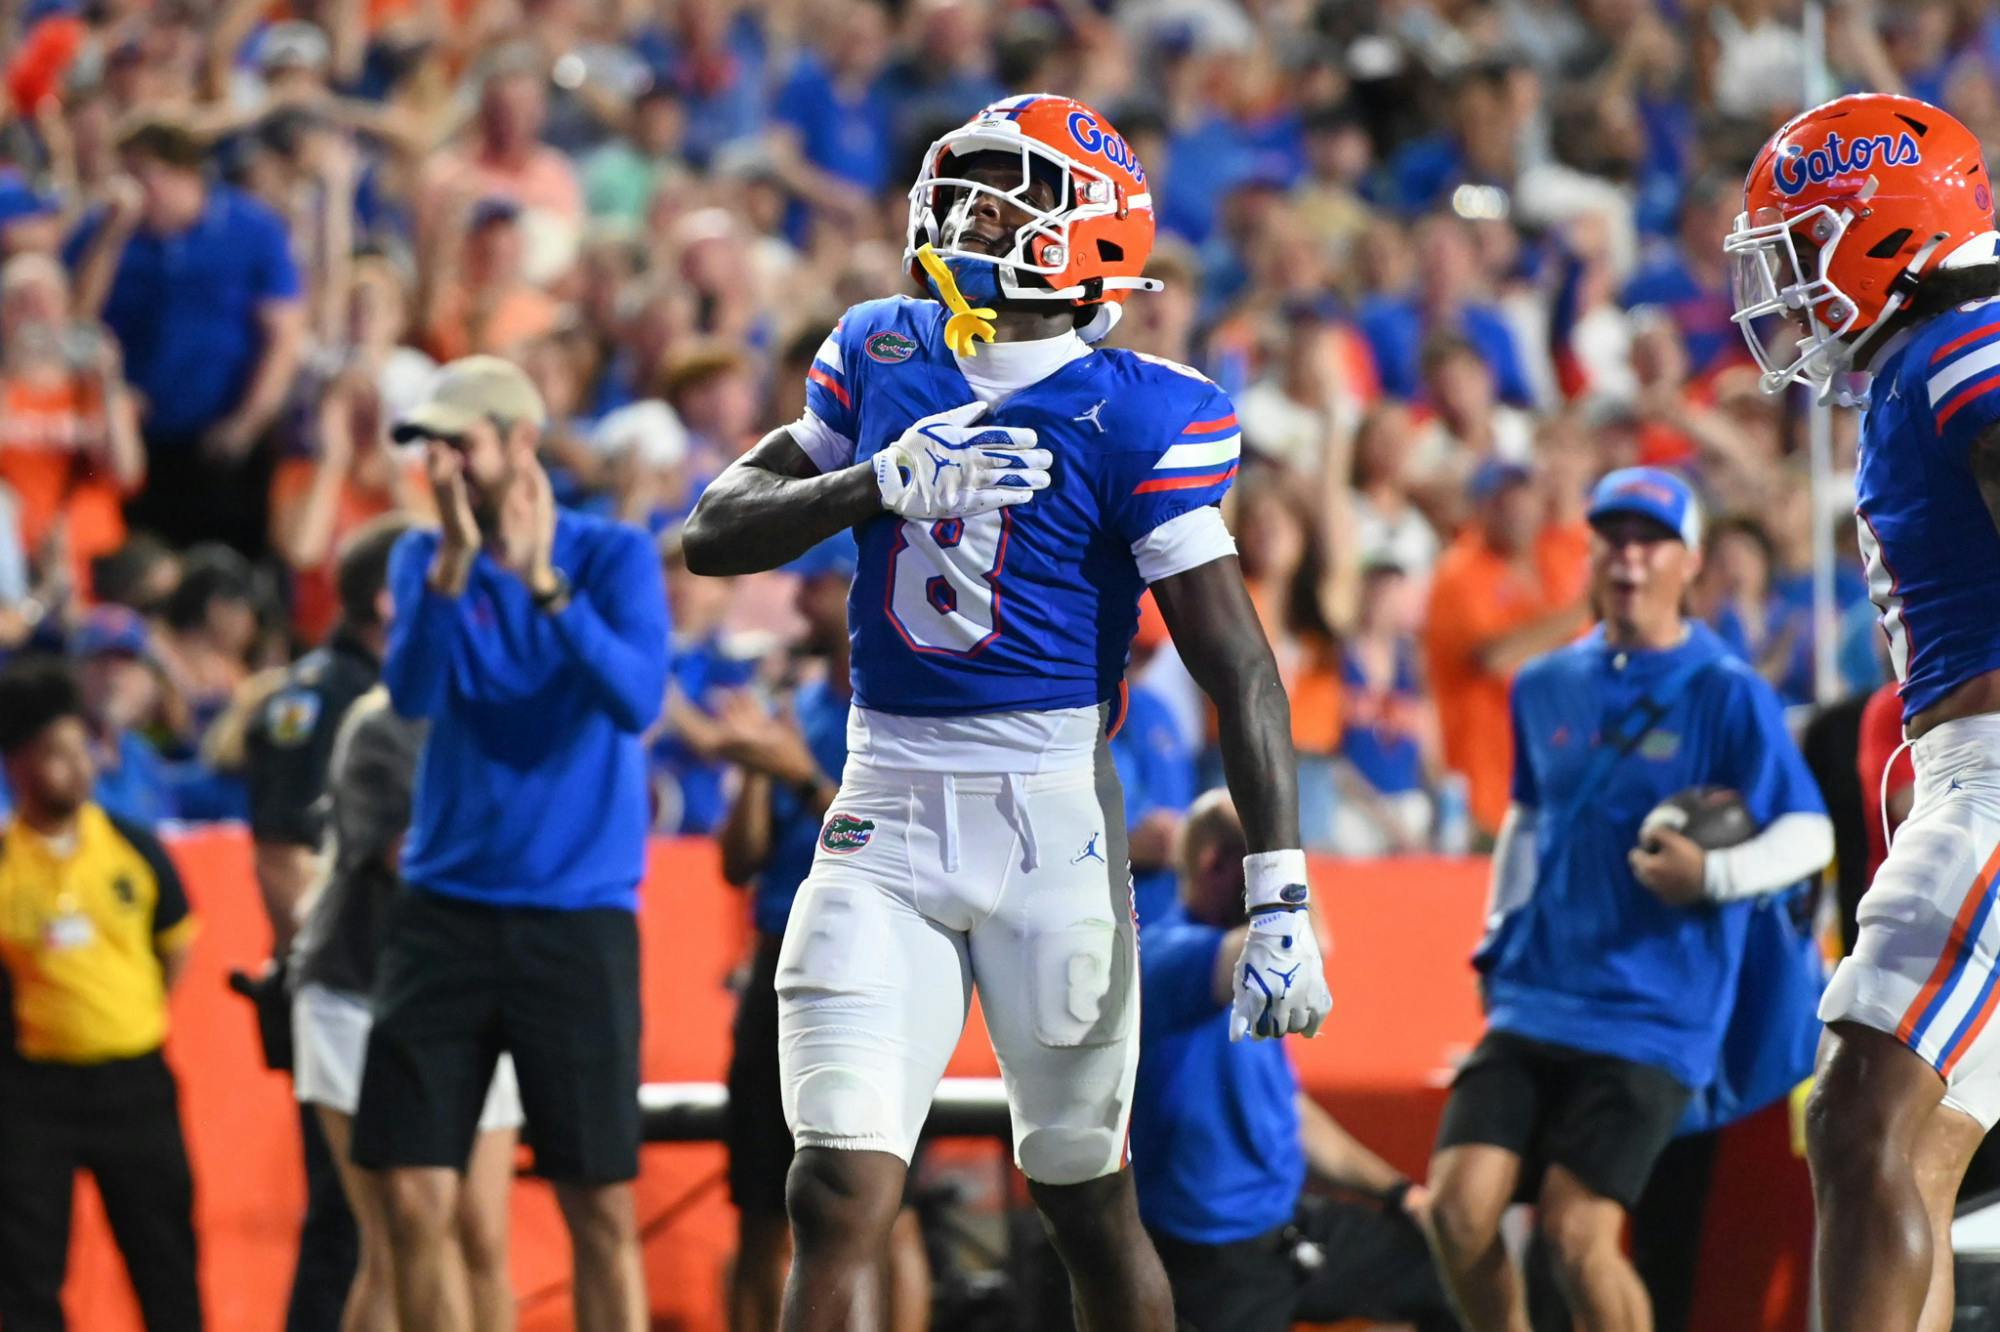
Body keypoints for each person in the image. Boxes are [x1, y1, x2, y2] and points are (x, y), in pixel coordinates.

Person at [682, 94, 1331, 1332]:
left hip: (1049, 822)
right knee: (829, 1184)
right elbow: (711, 532)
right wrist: (869, 481)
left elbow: (1236, 663)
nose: (964, 214)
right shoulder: (879, 346)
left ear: (1083, 237)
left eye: (1004, 195)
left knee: (1081, 1193)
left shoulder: (1144, 407)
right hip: (880, 798)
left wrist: (1280, 889)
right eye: (966, 187)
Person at [1423, 467, 1832, 1332]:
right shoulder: (1542, 684)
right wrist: (1498, 936)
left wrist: (1712, 875)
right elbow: (1528, 825)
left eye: (1651, 540)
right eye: (1613, 537)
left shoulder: (1727, 690)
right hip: (1537, 994)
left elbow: (1810, 834)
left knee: (1579, 1236)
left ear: (1689, 562)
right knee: (1454, 1213)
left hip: (1655, 1012)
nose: (1629, 557)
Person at [1724, 93, 2000, 1332]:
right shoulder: (1931, 356)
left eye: (1797, 251)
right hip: (1963, 764)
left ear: (1878, 231)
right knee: (1918, 1147)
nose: (1779, 293)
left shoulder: (1962, 345)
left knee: (1855, 1112)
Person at [355, 354, 669, 1332]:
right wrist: (453, 565)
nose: (440, 464)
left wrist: (542, 586)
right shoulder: (424, 560)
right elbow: (409, 695)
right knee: (411, 1197)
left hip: (575, 920)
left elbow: (635, 698)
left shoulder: (612, 556)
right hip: (444, 914)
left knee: (599, 1201)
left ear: (520, 442)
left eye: (459, 442)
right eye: (429, 445)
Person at [1132, 789, 1459, 1332]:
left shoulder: (1249, 980)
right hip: (1217, 1264)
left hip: (1288, 1230)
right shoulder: (1167, 959)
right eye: (1265, 857)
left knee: (1454, 1268)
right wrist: (1280, 835)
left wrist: (1401, 1194)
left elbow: (1290, 1114)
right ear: (1217, 864)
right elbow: (1308, 943)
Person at [714, 532, 929, 1332]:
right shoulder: (794, 707)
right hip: (780, 964)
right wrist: (757, 773)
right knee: (761, 1206)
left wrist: (798, 774)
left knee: (888, 1206)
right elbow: (738, 863)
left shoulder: (905, 708)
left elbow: (893, 843)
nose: (795, 605)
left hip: (878, 963)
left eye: (810, 588)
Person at [292, 687, 521, 1332]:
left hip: (480, 986)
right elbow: (414, 856)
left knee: (483, 1233)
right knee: (400, 1236)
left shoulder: (516, 710)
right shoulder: (380, 726)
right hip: (357, 993)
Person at [241, 515, 412, 1332]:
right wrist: (319, 961)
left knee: (397, 1220)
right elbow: (279, 853)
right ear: (388, 599)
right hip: (350, 985)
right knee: (348, 1223)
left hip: (407, 983)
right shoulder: (316, 699)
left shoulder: (416, 688)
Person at [0, 655, 202, 1332]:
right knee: (27, 1276)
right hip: (32, 1096)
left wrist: (125, 1016)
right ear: (17, 766)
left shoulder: (135, 850)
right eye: (54, 754)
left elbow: (176, 946)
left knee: (166, 1265)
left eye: (81, 749)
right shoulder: (3, 866)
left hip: (136, 1088)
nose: (77, 766)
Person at [65, 115, 305, 555]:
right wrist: (111, 234)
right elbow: (75, 319)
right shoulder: (103, 230)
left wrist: (248, 421)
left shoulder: (251, 228)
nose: (131, 190)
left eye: (142, 176)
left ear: (184, 173)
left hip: (221, 441)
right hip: (134, 441)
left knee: (229, 560)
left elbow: (282, 335)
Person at [1422, 458, 1590, 841]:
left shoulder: (1553, 558)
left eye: (1524, 498)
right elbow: (1494, 657)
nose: (1517, 510)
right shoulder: (1460, 571)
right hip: (1486, 784)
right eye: (1502, 500)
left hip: (1553, 776)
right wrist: (1582, 609)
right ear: (1481, 509)